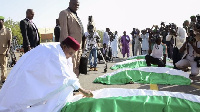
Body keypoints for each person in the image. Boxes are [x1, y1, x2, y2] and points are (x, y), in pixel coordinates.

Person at [0, 36, 93, 112]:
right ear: (65, 47)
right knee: (18, 98)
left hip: (32, 73)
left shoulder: (57, 47)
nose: (70, 56)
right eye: (70, 53)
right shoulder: (55, 54)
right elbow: (66, 77)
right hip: (27, 75)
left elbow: (67, 72)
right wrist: (83, 90)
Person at [59, 0, 84, 77]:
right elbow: (64, 31)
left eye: (77, 5)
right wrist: (66, 47)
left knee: (77, 65)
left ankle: (75, 85)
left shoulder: (76, 15)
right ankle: (69, 86)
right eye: (74, 4)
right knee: (70, 66)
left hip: (78, 45)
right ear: (69, 3)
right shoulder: (64, 13)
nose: (76, 6)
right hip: (70, 46)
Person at [0, 16, 12, 83]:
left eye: (0, 20)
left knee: (3, 66)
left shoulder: (7, 30)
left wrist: (8, 50)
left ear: (3, 21)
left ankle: (3, 79)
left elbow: (9, 41)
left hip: (3, 51)